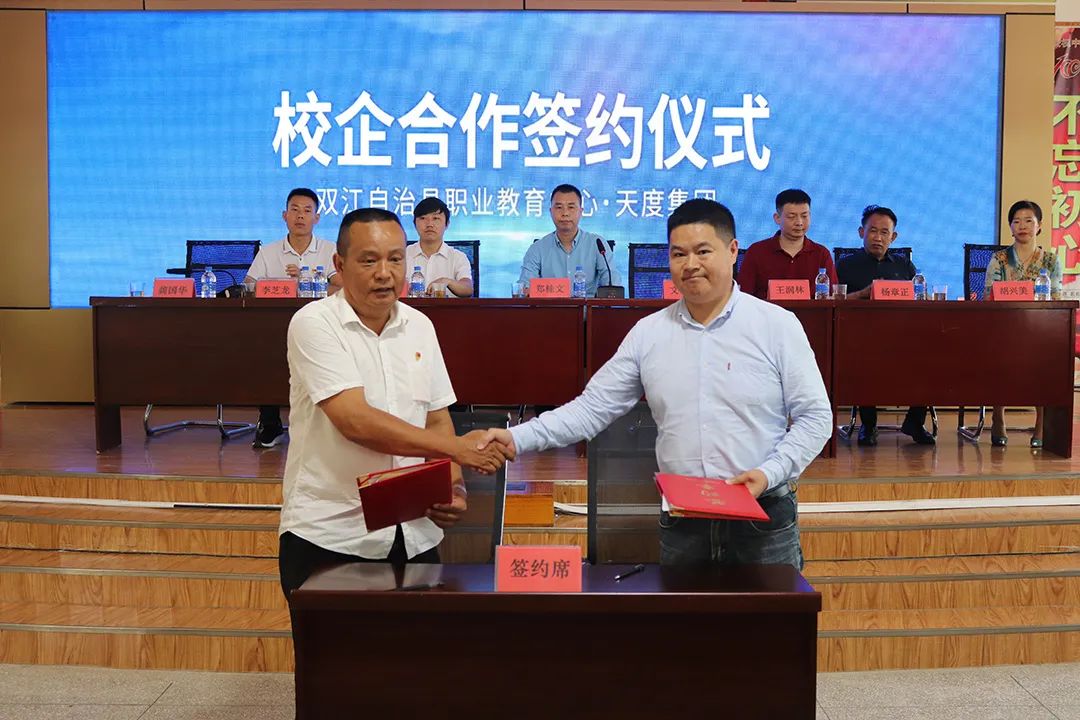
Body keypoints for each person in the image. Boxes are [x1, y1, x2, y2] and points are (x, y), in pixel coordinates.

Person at [485, 198, 832, 568]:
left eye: (703, 251)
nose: (690, 264)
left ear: (733, 251)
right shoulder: (649, 333)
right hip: (684, 522)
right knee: (681, 610)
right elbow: (591, 409)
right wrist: (516, 438)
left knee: (771, 610)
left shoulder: (776, 325)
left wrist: (769, 473)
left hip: (763, 518)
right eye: (678, 254)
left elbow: (816, 418)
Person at [278, 207, 511, 598]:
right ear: (339, 264)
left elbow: (436, 419)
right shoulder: (314, 323)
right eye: (369, 261)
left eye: (396, 259)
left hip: (414, 535)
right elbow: (355, 421)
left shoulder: (420, 326)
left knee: (423, 641)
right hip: (332, 537)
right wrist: (458, 449)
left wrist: (455, 486)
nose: (384, 273)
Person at [247, 188, 343, 448]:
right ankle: (270, 423)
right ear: (284, 215)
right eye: (295, 210)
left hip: (323, 324)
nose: (300, 216)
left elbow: (345, 287)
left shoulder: (330, 250)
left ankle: (326, 424)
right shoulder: (268, 252)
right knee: (264, 352)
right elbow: (249, 286)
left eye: (307, 211)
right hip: (275, 325)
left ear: (317, 218)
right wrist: (279, 284)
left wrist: (308, 279)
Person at [835, 205, 934, 446]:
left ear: (893, 237)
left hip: (901, 336)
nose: (878, 237)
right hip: (860, 337)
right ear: (861, 232)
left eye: (884, 232)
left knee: (930, 356)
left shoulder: (904, 266)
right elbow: (834, 301)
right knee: (864, 358)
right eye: (872, 231)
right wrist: (863, 294)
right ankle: (868, 424)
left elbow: (919, 299)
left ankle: (915, 422)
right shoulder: (845, 265)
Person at [984, 200, 1063, 449]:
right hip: (1004, 328)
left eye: (1029, 220)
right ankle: (998, 417)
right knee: (998, 352)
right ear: (1010, 227)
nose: (1022, 226)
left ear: (1039, 226)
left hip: (1039, 330)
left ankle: (1041, 423)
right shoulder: (999, 259)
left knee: (1046, 358)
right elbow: (989, 297)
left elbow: (1056, 300)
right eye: (1016, 221)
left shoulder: (1050, 261)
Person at [737, 188, 837, 300]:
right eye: (791, 216)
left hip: (811, 312)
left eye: (804, 216)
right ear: (777, 218)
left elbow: (832, 298)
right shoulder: (757, 251)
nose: (799, 222)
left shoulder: (821, 254)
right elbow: (743, 296)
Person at [518, 184, 616, 297]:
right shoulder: (537, 249)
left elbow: (612, 287)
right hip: (549, 307)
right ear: (551, 211)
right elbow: (525, 288)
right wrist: (526, 290)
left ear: (581, 211)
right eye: (559, 207)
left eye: (571, 207)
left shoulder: (597, 244)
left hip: (587, 308)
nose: (565, 213)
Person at [405, 197, 474, 297]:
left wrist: (446, 281)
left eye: (436, 218)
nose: (429, 224)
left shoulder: (457, 257)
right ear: (415, 223)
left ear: (447, 224)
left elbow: (467, 289)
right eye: (423, 218)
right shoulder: (403, 255)